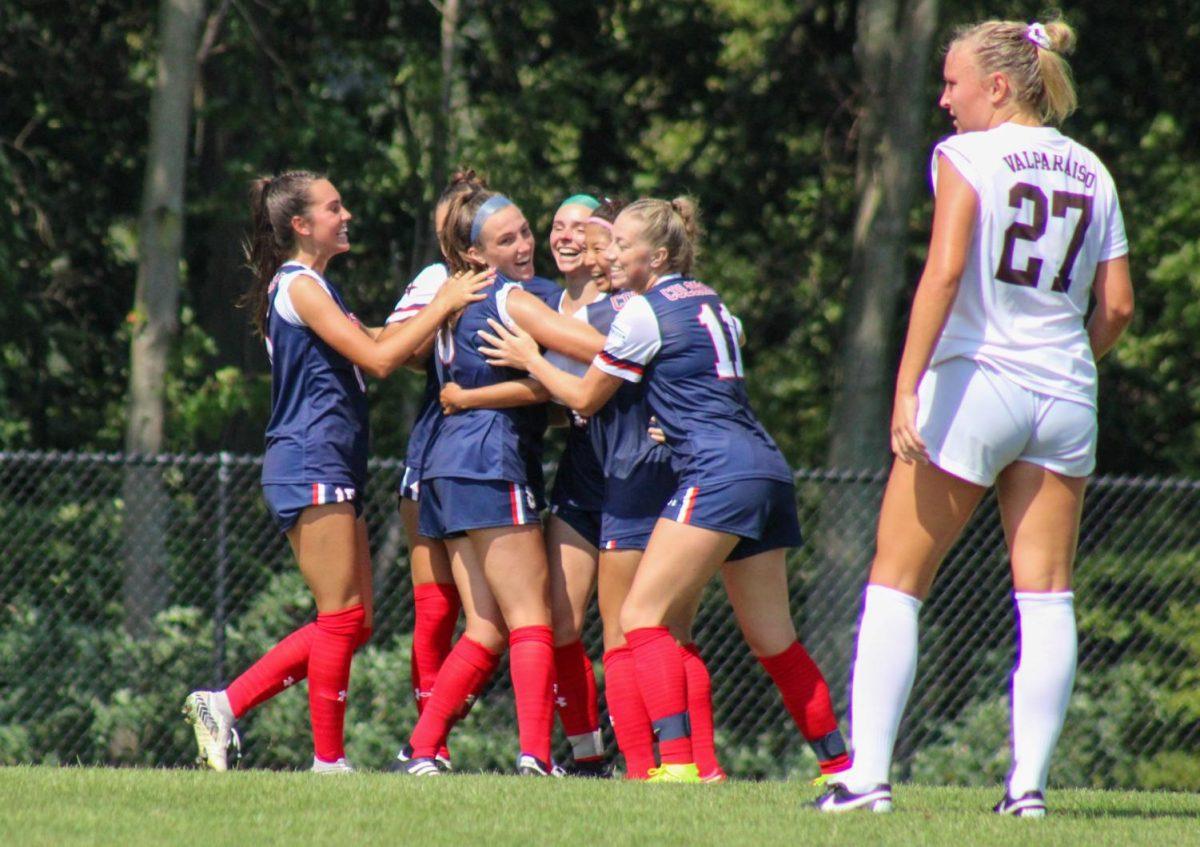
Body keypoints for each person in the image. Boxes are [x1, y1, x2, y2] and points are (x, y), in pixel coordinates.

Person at [815, 18, 1133, 816]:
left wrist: (906, 384)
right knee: (1048, 595)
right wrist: (1065, 365)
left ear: (998, 87)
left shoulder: (967, 155)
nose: (943, 98)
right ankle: (1027, 790)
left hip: (975, 381)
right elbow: (1119, 306)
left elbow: (946, 269)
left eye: (952, 83)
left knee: (896, 579)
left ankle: (869, 778)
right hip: (1064, 392)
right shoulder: (1093, 168)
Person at [480, 197, 849, 783]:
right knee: (774, 639)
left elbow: (581, 399)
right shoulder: (712, 299)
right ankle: (839, 765)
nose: (611, 254)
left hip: (716, 472)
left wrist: (530, 357)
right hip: (765, 467)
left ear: (656, 255)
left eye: (623, 245)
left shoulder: (641, 312)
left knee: (641, 618)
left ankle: (677, 765)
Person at [183, 170, 491, 773]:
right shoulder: (299, 287)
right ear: (301, 225)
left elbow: (377, 340)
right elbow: (378, 360)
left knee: (355, 621)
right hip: (308, 458)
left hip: (330, 460)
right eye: (335, 206)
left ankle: (225, 702)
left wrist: (434, 327)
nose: (345, 214)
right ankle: (328, 762)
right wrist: (445, 303)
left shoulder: (316, 287)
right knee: (342, 615)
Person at [391, 186, 606, 776]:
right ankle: (536, 756)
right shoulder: (510, 298)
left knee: (484, 624)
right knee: (532, 617)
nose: (524, 244)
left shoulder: (454, 300)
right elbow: (598, 347)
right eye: (505, 239)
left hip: (442, 469)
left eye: (524, 231)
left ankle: (421, 748)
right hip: (490, 462)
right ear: (478, 254)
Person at [386, 169, 489, 771]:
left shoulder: (520, 282)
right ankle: (431, 746)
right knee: (437, 608)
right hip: (436, 448)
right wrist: (442, 311)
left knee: (497, 619)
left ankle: (434, 730)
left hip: (501, 455)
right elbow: (399, 347)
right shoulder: (435, 278)